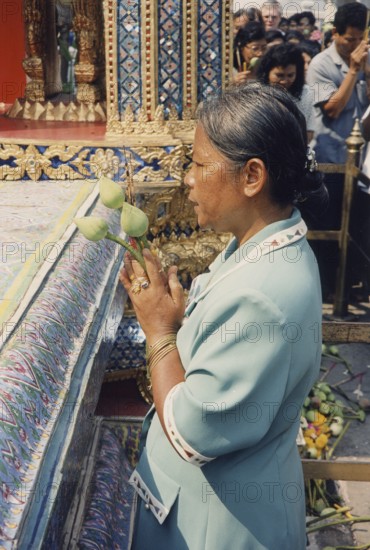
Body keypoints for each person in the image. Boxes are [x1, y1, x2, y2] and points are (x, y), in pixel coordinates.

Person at [120, 82, 326, 550]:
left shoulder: (261, 295)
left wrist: (159, 332)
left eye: (197, 163)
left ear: (252, 176)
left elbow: (192, 434)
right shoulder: (261, 248)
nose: (187, 180)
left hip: (219, 526)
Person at [306, 2, 369, 297]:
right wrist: (354, 71)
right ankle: (328, 289)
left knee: (356, 226)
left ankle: (351, 285)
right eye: (349, 39)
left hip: (359, 161)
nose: (355, 45)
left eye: (360, 39)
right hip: (328, 160)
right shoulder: (320, 65)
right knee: (329, 227)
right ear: (335, 34)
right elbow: (331, 109)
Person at [257, 43, 315, 141]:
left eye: (290, 75)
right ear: (267, 73)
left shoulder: (306, 94)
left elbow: (308, 133)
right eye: (279, 75)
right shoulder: (256, 93)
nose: (284, 81)